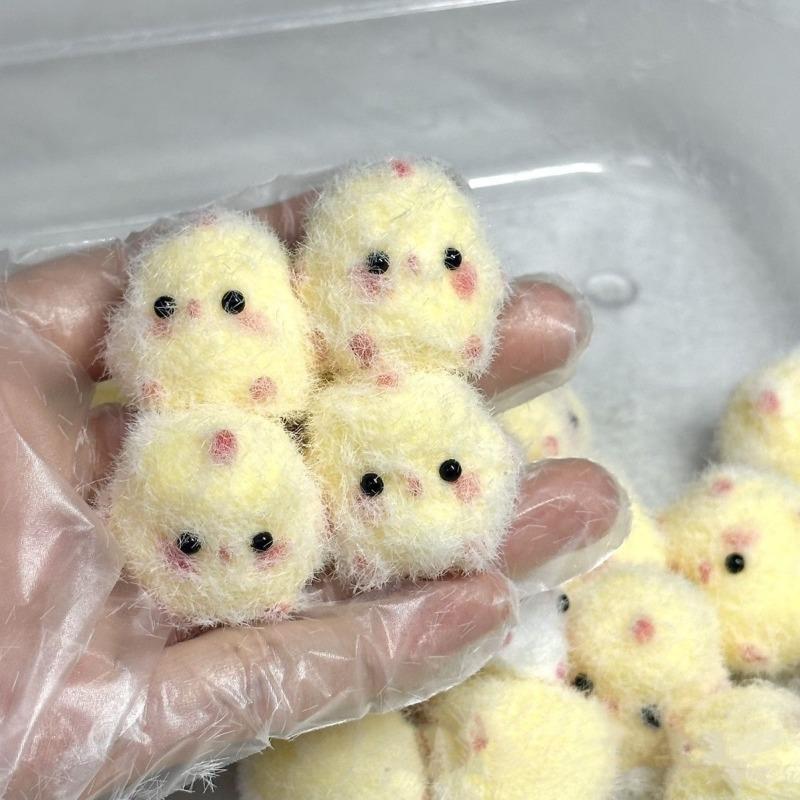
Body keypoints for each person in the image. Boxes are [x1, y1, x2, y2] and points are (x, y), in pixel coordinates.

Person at [0, 192, 623, 798]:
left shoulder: (357, 424)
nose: (198, 323)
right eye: (168, 309)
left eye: (233, 304)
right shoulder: (176, 455)